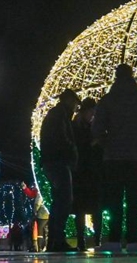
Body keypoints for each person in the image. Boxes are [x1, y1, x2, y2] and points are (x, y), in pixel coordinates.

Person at [92, 64, 137, 252]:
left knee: (114, 200)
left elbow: (96, 129)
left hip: (113, 158)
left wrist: (109, 142)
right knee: (133, 200)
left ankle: (114, 240)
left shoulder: (107, 100)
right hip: (136, 156)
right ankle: (132, 240)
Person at [40, 89, 80, 252]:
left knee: (59, 201)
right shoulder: (60, 115)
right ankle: (58, 240)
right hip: (58, 162)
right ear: (69, 100)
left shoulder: (56, 114)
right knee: (64, 200)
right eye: (75, 102)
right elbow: (62, 138)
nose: (76, 106)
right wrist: (72, 151)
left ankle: (54, 240)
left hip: (52, 161)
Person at [72, 98, 104, 251]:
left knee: (96, 209)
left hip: (93, 172)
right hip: (81, 173)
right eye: (91, 111)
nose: (93, 115)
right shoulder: (77, 127)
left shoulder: (92, 127)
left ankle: (97, 240)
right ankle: (81, 241)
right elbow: (77, 147)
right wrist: (92, 143)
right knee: (81, 209)